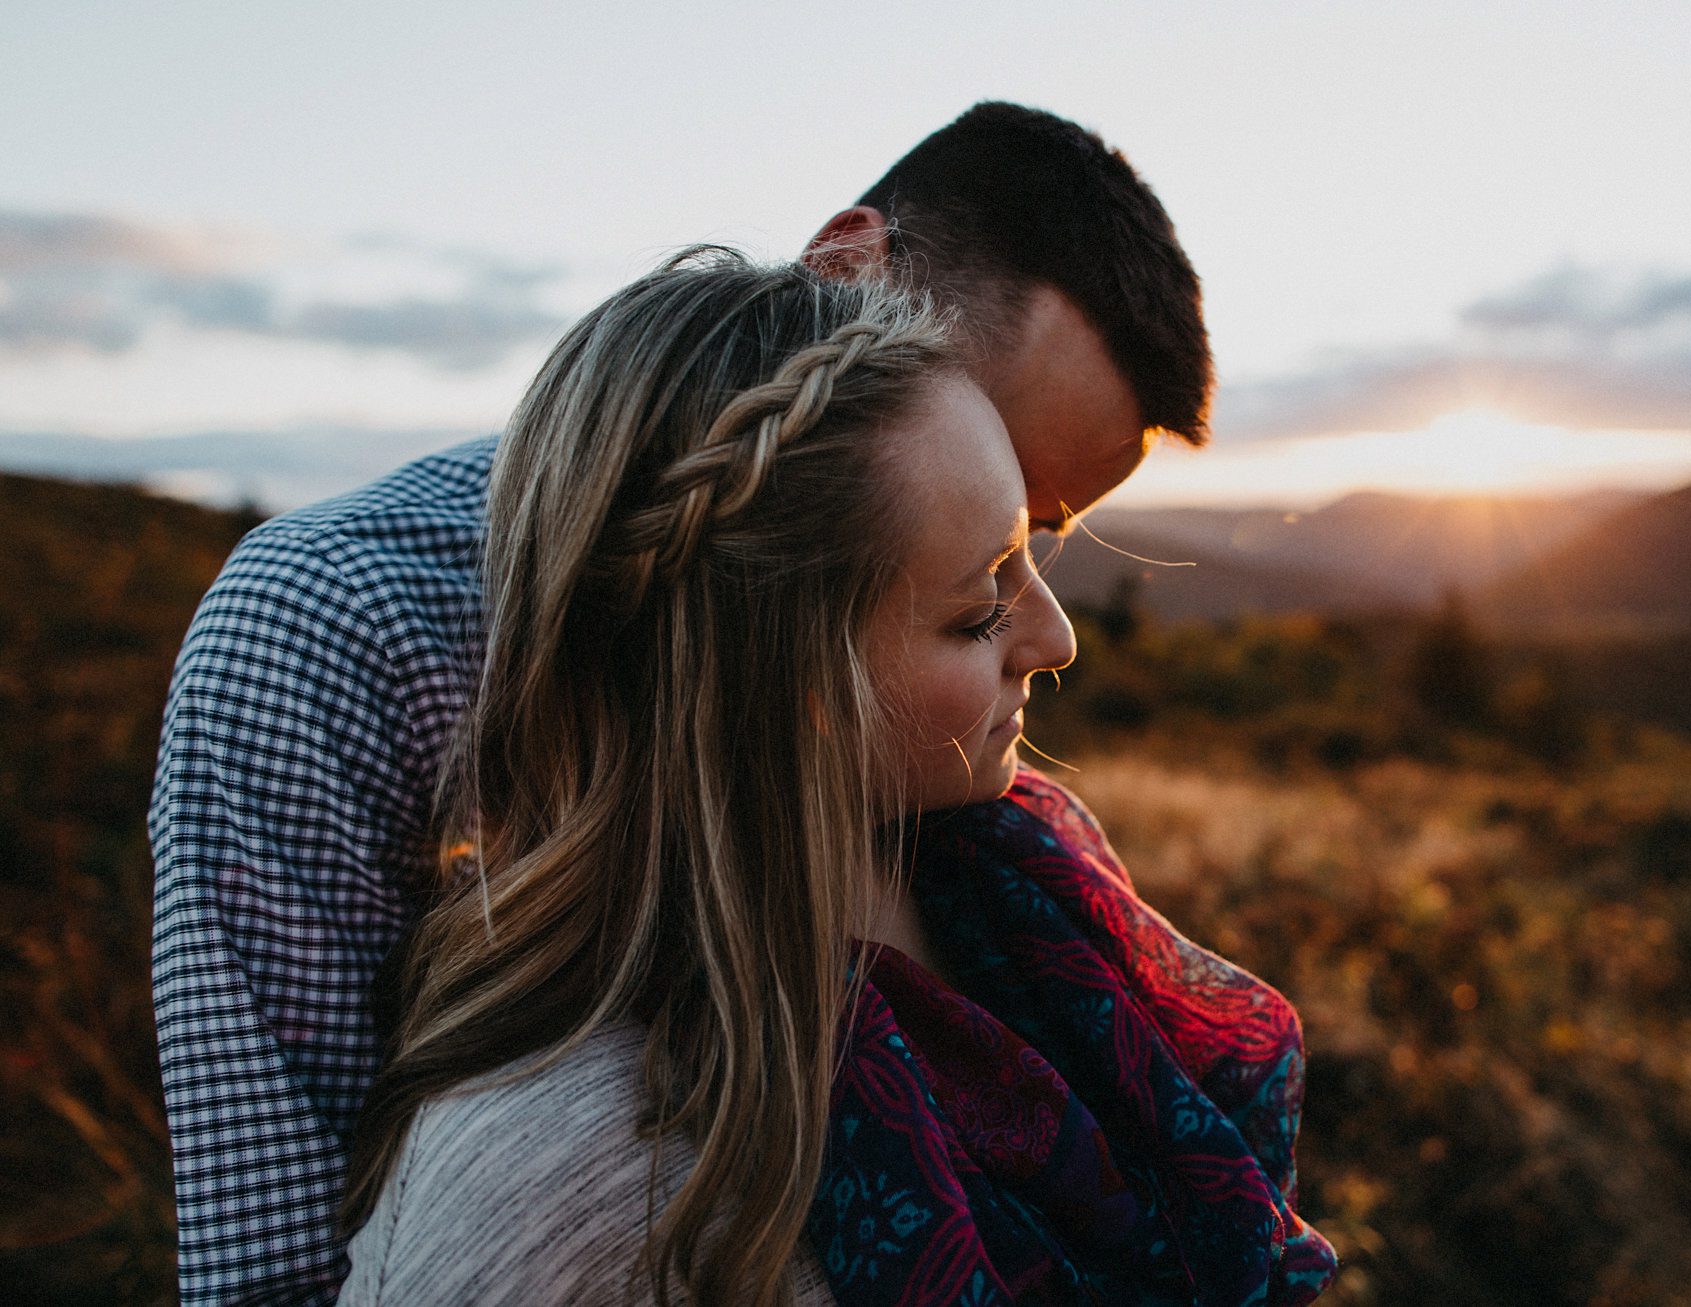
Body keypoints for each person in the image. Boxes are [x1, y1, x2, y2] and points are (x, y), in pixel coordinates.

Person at [151, 103, 1215, 1304]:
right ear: (842, 275)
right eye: (982, 486)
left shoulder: (977, 770)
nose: (1034, 617)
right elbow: (269, 1239)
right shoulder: (339, 620)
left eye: (1036, 529)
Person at [333, 248, 1335, 1305]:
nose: (1054, 637)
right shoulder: (561, 1176)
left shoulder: (1028, 861)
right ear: (776, 680)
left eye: (1029, 553)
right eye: (977, 608)